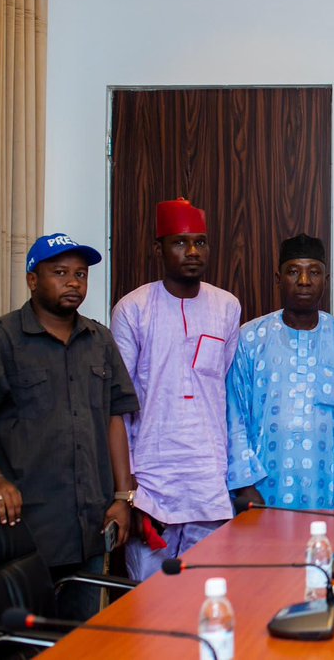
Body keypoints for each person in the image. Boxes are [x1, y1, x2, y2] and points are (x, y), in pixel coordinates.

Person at [0, 233, 137, 619]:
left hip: (89, 527)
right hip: (25, 530)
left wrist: (122, 496)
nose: (73, 283)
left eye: (80, 275)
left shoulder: (99, 340)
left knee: (80, 639)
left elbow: (115, 416)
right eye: (60, 273)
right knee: (24, 639)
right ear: (33, 280)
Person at [111, 197, 241, 580]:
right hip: (151, 482)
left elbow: (223, 385)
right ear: (159, 249)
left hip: (208, 478)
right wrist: (126, 488)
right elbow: (117, 404)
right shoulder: (133, 309)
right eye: (180, 243)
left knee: (205, 595)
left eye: (200, 242)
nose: (193, 252)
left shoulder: (226, 306)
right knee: (149, 600)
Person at [227, 234, 334, 511]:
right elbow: (234, 416)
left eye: (314, 272)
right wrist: (245, 484)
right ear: (278, 279)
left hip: (333, 490)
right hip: (263, 490)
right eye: (293, 272)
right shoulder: (250, 339)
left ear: (326, 279)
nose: (304, 281)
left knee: (328, 553)